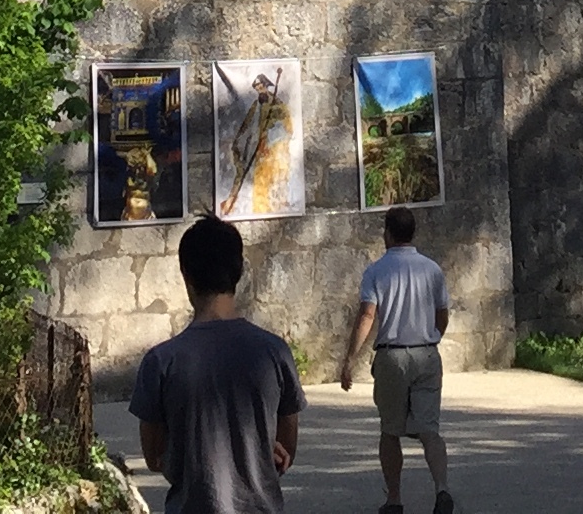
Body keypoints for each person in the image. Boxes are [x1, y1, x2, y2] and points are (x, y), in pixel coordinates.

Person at [131, 215, 305, 514]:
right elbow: (286, 448)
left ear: (186, 274)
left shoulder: (161, 362)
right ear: (238, 272)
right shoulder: (274, 353)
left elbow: (154, 456)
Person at [335, 204, 456, 514]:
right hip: (427, 352)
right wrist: (433, 337)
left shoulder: (376, 271)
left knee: (390, 431)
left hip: (392, 356)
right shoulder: (431, 269)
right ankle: (441, 489)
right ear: (412, 232)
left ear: (387, 233)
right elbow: (442, 315)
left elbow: (367, 315)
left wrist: (350, 359)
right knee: (430, 430)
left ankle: (395, 499)